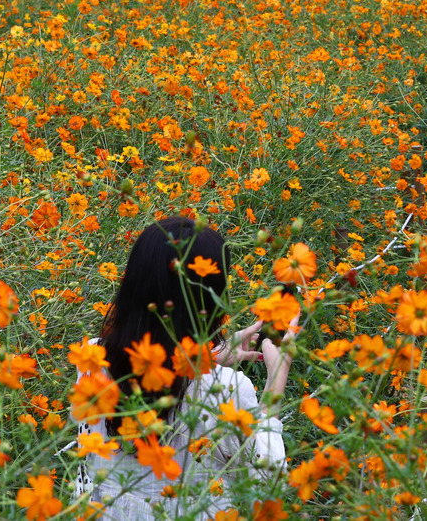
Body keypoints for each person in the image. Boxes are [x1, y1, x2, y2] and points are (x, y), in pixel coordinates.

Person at [73, 216, 291, 516]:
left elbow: (152, 371)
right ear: (212, 300)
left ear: (132, 285)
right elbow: (269, 482)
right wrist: (276, 380)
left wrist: (208, 355)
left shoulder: (92, 358)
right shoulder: (228, 390)